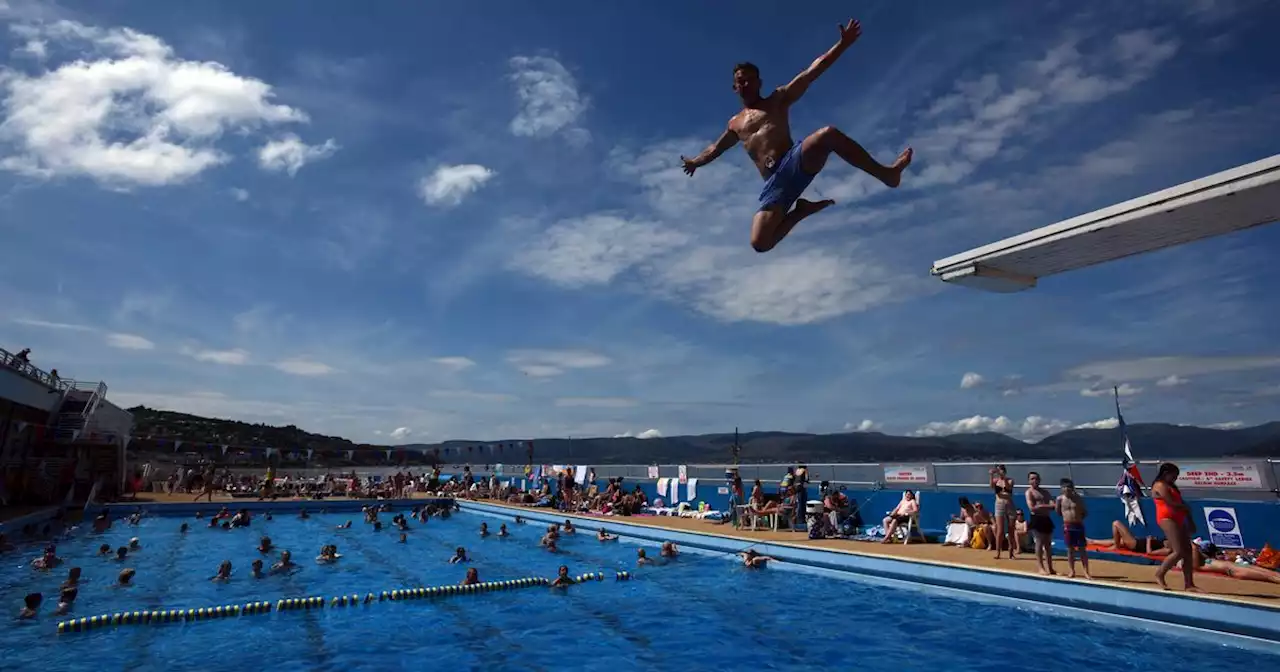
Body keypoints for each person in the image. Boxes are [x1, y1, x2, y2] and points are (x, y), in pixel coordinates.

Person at [680, 18, 913, 253]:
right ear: (735, 87)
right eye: (741, 81)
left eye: (750, 79)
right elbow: (715, 149)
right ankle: (800, 212)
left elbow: (811, 73)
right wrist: (695, 162)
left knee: (828, 134)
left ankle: (888, 173)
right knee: (759, 243)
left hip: (794, 162)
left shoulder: (777, 100)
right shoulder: (734, 124)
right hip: (775, 184)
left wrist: (842, 45)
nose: (746, 83)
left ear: (759, 82)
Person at [1151, 462, 1197, 591]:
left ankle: (1189, 584)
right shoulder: (1159, 485)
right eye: (1173, 475)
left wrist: (1190, 520)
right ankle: (1160, 574)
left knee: (1187, 551)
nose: (1175, 478)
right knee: (1178, 551)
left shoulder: (1172, 487)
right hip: (1166, 519)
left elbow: (1181, 504)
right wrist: (1186, 508)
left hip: (1178, 518)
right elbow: (1170, 503)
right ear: (1165, 474)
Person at [1056, 479, 1092, 579]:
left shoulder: (1078, 498)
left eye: (1068, 487)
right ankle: (1072, 571)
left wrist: (1078, 519)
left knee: (1082, 549)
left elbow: (1084, 512)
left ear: (1072, 488)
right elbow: (1058, 512)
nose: (1066, 489)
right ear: (1061, 488)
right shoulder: (1060, 499)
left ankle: (1086, 571)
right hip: (1068, 525)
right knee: (1070, 550)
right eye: (1064, 487)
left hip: (1078, 525)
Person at [1024, 471, 1056, 575]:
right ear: (1029, 481)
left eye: (1036, 478)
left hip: (1046, 518)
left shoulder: (1045, 492)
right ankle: (1040, 567)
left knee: (1048, 544)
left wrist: (1041, 506)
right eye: (1032, 479)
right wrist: (1044, 506)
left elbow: (1054, 505)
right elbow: (1032, 508)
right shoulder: (1029, 492)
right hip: (1037, 519)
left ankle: (1050, 568)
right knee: (1039, 542)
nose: (1035, 481)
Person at [1087, 520, 1168, 555]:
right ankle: (1092, 541)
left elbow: (1149, 552)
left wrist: (1149, 541)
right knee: (1116, 540)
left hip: (1135, 545)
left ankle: (1116, 547)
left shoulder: (1168, 549)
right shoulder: (1166, 541)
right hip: (1137, 541)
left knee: (1116, 523)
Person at [989, 465, 1017, 559]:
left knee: (1011, 530)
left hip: (1009, 505)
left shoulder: (1010, 480)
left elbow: (1009, 488)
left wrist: (1004, 478)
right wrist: (991, 475)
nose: (999, 472)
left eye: (1001, 471)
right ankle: (998, 552)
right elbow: (991, 486)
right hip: (999, 505)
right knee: (1000, 530)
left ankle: (1011, 552)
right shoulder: (996, 481)